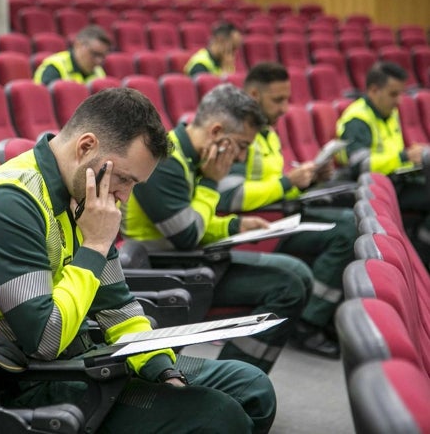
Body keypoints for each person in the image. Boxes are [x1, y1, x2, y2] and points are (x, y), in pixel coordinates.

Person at [0, 87, 277, 434]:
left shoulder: (85, 196)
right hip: (32, 384)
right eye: (124, 179)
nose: (124, 196)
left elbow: (118, 308)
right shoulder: (9, 204)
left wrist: (164, 371)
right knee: (217, 416)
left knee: (251, 386)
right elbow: (46, 339)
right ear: (86, 147)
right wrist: (96, 244)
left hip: (88, 358)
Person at [121, 84, 313, 373]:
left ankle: (239, 376)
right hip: (165, 271)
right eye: (242, 145)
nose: (240, 157)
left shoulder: (194, 157)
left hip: (195, 260)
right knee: (288, 287)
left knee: (298, 272)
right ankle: (237, 377)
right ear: (215, 132)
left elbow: (196, 220)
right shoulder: (166, 162)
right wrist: (211, 182)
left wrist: (234, 224)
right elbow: (186, 235)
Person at [216, 62, 357, 359]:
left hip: (278, 214)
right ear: (254, 95)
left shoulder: (266, 132)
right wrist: (286, 183)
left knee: (351, 217)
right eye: (277, 99)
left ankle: (321, 316)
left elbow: (271, 185)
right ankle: (307, 322)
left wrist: (306, 180)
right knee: (345, 228)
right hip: (254, 225)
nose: (285, 108)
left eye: (286, 99)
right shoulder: (237, 134)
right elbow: (230, 196)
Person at [336, 61, 430, 260]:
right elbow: (360, 165)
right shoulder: (357, 118)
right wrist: (404, 156)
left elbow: (392, 155)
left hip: (396, 182)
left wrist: (413, 157)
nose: (399, 101)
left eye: (401, 94)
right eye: (393, 94)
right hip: (374, 191)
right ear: (373, 90)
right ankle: (422, 255)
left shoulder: (389, 112)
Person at [34, 25, 110, 86]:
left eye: (103, 56)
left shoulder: (99, 72)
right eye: (95, 54)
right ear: (78, 45)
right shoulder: (54, 67)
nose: (99, 61)